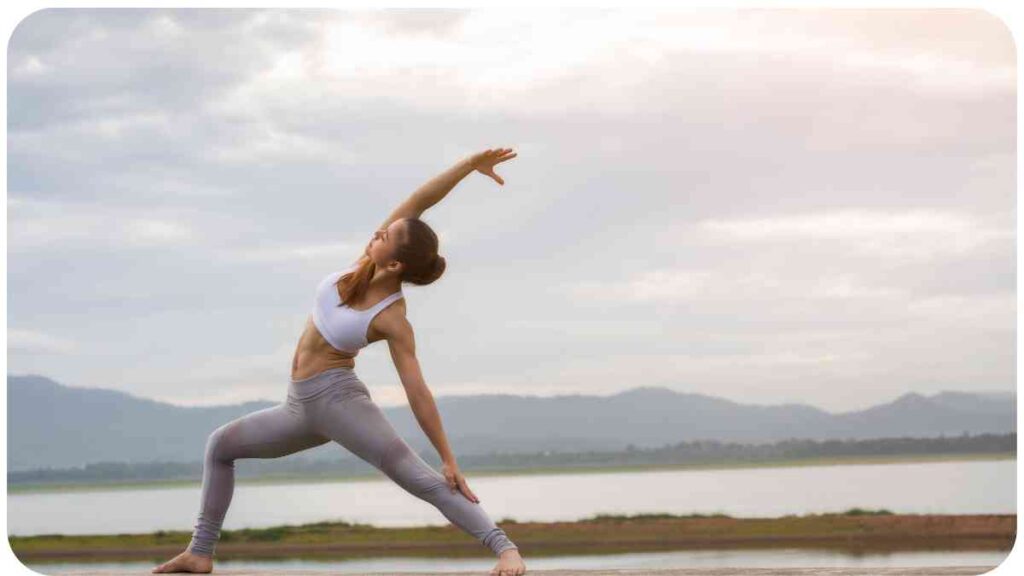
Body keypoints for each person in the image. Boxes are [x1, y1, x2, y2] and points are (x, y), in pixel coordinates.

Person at [152, 148, 526, 576]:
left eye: (385, 236)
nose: (377, 233)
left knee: (420, 479)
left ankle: (506, 549)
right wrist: (466, 166)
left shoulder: (392, 318)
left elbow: (417, 391)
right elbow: (421, 200)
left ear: (397, 263)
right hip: (298, 408)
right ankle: (200, 554)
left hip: (340, 403)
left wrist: (449, 458)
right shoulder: (362, 266)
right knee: (220, 446)